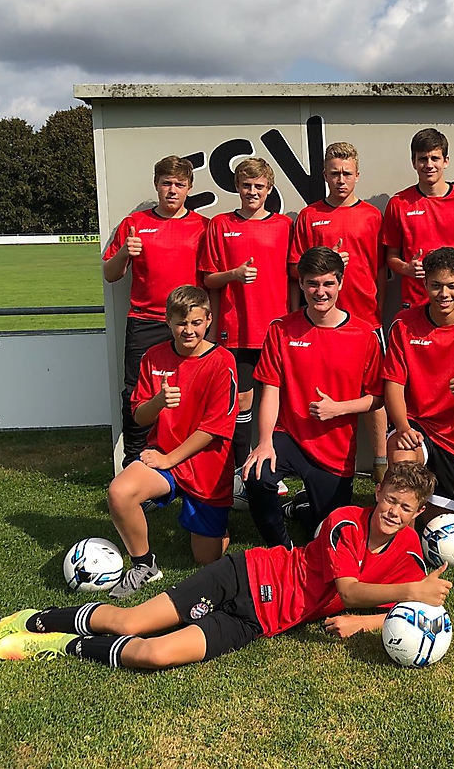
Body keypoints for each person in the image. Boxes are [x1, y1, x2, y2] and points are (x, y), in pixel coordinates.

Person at [0, 463, 453, 669]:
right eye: (390, 499)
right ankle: (28, 619)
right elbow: (348, 589)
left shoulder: (410, 553)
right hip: (244, 574)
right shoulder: (346, 521)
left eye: (406, 507)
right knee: (130, 622)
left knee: (154, 655)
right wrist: (410, 591)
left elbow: (404, 609)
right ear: (377, 492)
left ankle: (55, 645)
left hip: (259, 622)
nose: (393, 512)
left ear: (418, 513)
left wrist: (365, 622)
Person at [242, 246, 384, 547]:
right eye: (312, 284)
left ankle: (302, 506)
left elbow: (377, 398)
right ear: (302, 284)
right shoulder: (281, 330)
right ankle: (282, 549)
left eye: (328, 283)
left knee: (329, 537)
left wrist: (338, 409)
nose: (320, 292)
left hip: (334, 451)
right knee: (257, 476)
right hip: (289, 436)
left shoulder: (364, 335)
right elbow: (271, 390)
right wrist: (264, 442)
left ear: (340, 283)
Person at [106, 286, 239, 599]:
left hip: (206, 466)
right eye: (181, 323)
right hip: (163, 456)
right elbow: (139, 416)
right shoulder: (154, 357)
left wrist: (169, 460)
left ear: (209, 320)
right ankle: (144, 565)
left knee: (205, 558)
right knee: (119, 492)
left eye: (196, 322)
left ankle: (218, 527)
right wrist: (158, 401)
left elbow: (213, 430)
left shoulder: (222, 361)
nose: (188, 330)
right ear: (168, 321)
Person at [291, 142, 389, 482]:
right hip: (320, 322)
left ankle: (380, 463)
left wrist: (377, 307)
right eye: (334, 173)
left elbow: (381, 270)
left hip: (366, 319)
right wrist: (326, 260)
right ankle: (315, 463)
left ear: (357, 175)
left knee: (374, 392)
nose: (341, 179)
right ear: (324, 175)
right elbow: (295, 269)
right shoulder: (309, 216)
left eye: (347, 173)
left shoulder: (372, 216)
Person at [102, 156, 209, 467]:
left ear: (189, 188)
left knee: (191, 392)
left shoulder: (204, 227)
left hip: (188, 325)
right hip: (145, 321)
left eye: (179, 184)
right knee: (136, 393)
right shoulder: (134, 224)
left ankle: (186, 462)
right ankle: (133, 462)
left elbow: (211, 279)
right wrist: (124, 252)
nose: (172, 190)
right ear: (156, 185)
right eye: (166, 183)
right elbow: (110, 274)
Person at [383, 247, 454, 528]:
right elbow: (393, 384)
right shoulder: (403, 324)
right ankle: (403, 546)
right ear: (424, 284)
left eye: (451, 286)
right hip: (415, 425)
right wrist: (402, 427)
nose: (444, 294)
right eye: (436, 285)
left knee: (442, 525)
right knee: (403, 462)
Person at [199, 158, 292, 468]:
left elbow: (294, 277)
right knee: (241, 400)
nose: (253, 192)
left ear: (269, 189)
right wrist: (234, 275)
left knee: (278, 399)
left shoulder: (284, 226)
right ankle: (241, 468)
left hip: (275, 329)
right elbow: (208, 279)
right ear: (237, 187)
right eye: (247, 186)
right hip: (236, 328)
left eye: (259, 186)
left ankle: (273, 467)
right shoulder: (220, 224)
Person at [382, 128, 454, 312]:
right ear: (414, 162)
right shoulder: (398, 203)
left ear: (445, 161)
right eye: (423, 158)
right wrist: (406, 268)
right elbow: (391, 257)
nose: (429, 165)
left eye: (435, 158)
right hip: (415, 302)